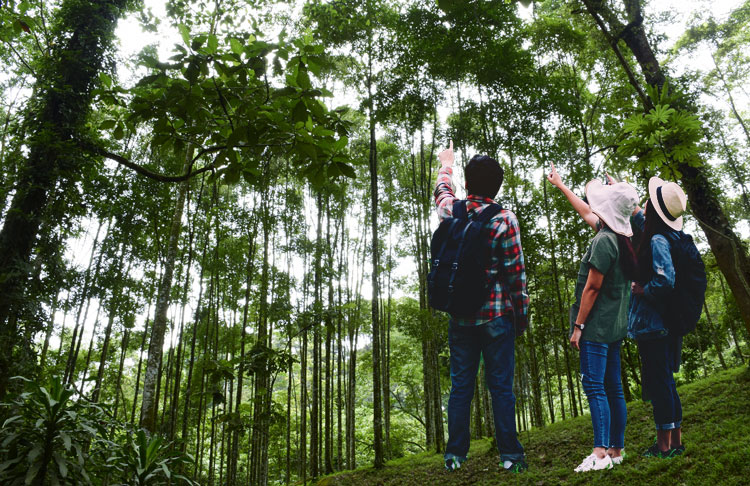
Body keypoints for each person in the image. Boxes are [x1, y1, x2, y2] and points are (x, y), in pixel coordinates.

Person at [435, 141, 529, 474]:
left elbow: (442, 192)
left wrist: (446, 164)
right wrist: (522, 317)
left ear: (469, 182)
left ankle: (455, 456)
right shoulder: (505, 219)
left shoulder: (452, 211)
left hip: (460, 315)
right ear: (497, 186)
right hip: (496, 316)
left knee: (461, 386)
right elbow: (516, 275)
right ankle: (510, 456)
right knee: (501, 387)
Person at [547, 164, 638, 472]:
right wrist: (561, 186)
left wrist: (578, 327)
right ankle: (616, 450)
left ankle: (599, 454)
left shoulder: (603, 241)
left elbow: (592, 287)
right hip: (615, 327)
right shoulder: (621, 240)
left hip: (596, 328)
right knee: (614, 389)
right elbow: (587, 211)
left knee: (596, 388)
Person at [628, 177, 691, 458]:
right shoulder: (664, 234)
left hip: (654, 325)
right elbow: (639, 219)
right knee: (666, 381)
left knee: (660, 384)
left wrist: (643, 289)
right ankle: (675, 441)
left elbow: (666, 281)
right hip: (663, 323)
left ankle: (664, 447)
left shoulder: (656, 240)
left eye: (648, 203)